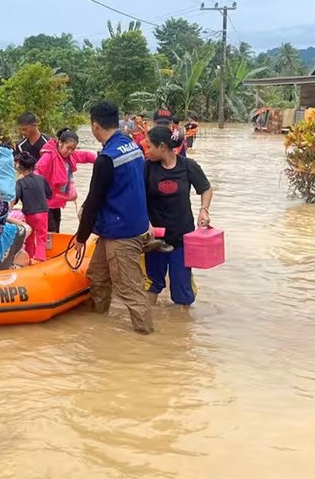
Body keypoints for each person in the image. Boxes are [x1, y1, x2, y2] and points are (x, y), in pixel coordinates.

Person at [70, 101, 155, 334]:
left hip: (122, 232)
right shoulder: (132, 146)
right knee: (97, 276)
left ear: (95, 126)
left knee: (129, 289)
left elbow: (94, 201)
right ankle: (99, 326)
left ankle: (148, 340)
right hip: (121, 225)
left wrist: (81, 237)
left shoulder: (106, 158)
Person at [144, 126, 213, 307]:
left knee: (182, 288)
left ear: (162, 147)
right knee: (152, 283)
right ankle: (149, 321)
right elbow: (137, 198)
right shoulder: (147, 168)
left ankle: (183, 330)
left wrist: (204, 209)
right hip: (154, 239)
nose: (147, 150)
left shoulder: (188, 166)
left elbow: (206, 188)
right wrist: (146, 223)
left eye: (149, 146)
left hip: (182, 238)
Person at [36, 128, 97, 235]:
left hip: (55, 204)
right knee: (50, 234)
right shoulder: (49, 156)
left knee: (56, 232)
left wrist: (103, 158)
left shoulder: (70, 156)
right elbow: (37, 173)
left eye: (73, 149)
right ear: (60, 143)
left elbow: (86, 156)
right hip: (44, 204)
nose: (70, 151)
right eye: (68, 148)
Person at [12, 152, 52, 262]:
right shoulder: (41, 179)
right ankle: (39, 260)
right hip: (42, 212)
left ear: (20, 168)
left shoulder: (20, 182)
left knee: (29, 237)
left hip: (29, 214)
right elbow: (49, 194)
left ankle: (29, 258)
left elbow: (15, 200)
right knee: (41, 238)